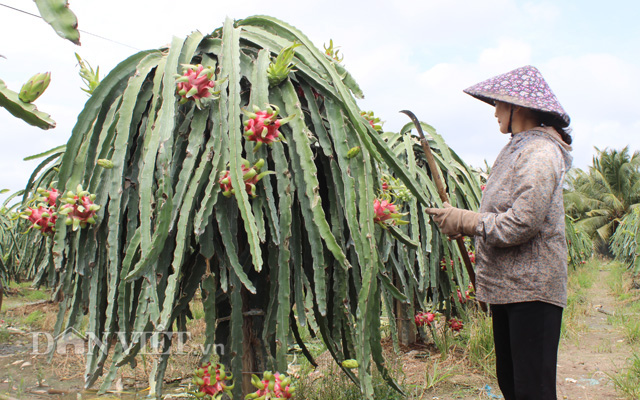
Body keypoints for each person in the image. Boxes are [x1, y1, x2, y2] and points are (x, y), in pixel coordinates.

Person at [425, 65, 573, 400]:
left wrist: (465, 221)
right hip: (512, 291)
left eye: (498, 104)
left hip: (531, 292)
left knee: (531, 391)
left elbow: (522, 223)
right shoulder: (518, 147)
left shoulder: (540, 153)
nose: (494, 113)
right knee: (512, 385)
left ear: (516, 106)